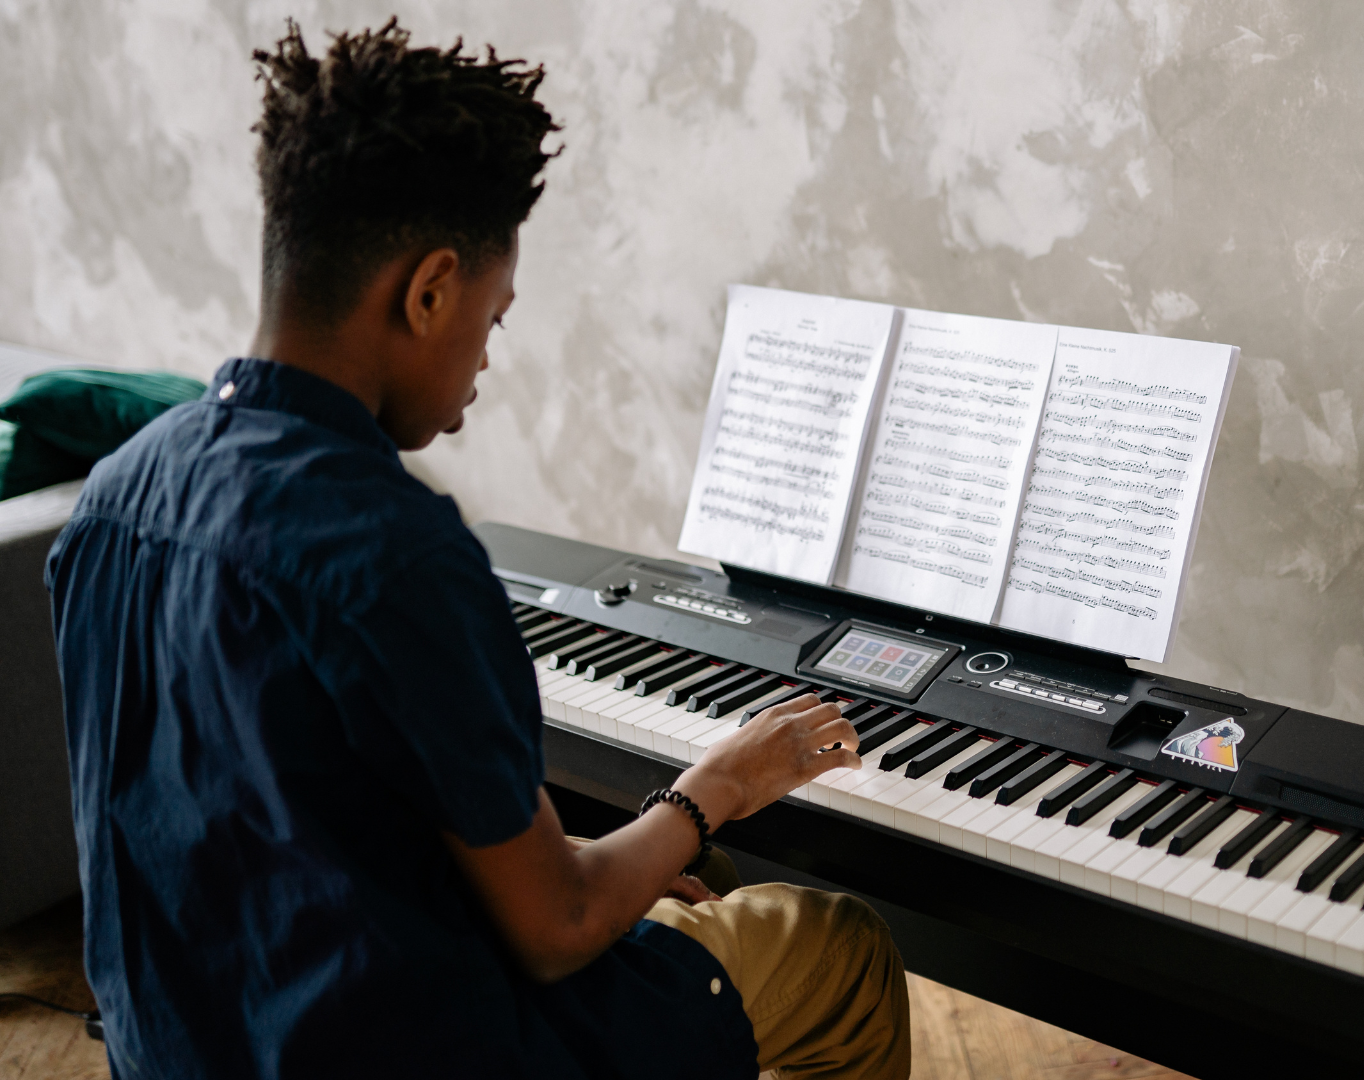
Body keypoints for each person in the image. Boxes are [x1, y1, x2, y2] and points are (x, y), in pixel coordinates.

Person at [44, 19, 909, 1080]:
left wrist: (631, 849)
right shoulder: (394, 547)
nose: (486, 363)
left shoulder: (114, 499)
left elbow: (273, 824)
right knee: (840, 946)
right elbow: (560, 925)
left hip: (187, 1048)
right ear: (429, 291)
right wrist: (717, 783)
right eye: (493, 320)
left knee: (691, 878)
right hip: (423, 1053)